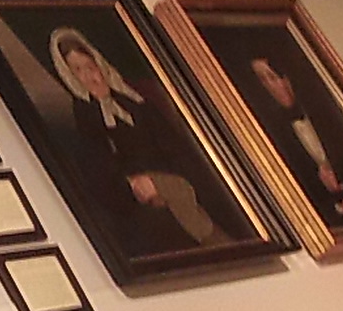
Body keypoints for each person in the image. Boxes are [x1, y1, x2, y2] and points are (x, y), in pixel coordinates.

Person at [48, 27, 240, 256]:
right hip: (132, 193)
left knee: (190, 187)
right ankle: (219, 244)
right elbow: (100, 172)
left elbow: (174, 145)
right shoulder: (85, 117)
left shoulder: (134, 100)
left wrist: (165, 177)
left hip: (173, 175)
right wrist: (135, 184)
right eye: (78, 70)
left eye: (90, 67)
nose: (89, 76)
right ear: (70, 77)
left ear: (100, 64)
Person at [241, 50, 343, 229]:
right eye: (263, 80)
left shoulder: (333, 116)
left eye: (272, 77)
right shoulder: (276, 135)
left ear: (287, 76)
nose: (270, 86)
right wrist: (336, 197)